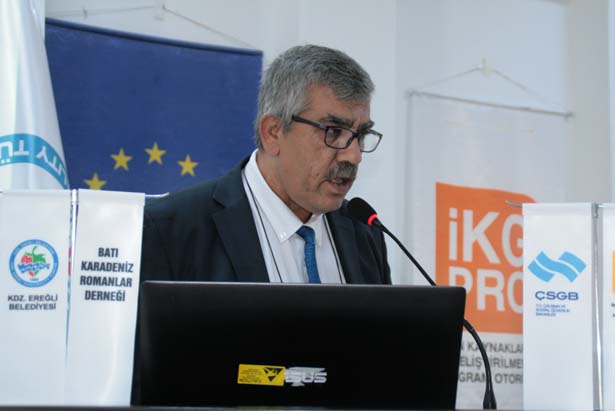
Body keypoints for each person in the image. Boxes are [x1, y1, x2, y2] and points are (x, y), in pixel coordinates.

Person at [139, 44, 390, 285]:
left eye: (360, 135)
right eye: (333, 132)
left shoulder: (365, 234)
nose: (354, 156)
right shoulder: (170, 230)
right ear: (273, 133)